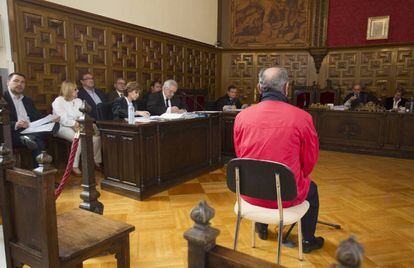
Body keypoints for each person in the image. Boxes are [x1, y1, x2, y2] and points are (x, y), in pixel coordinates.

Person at [233, 67, 324, 253]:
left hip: (250, 193)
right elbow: (309, 161)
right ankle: (307, 240)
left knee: (260, 176)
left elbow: (241, 155)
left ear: (259, 87)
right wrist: (299, 176)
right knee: (312, 190)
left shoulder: (241, 116)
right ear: (287, 87)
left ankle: (262, 228)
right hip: (286, 194)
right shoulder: (302, 117)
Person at [4, 72, 60, 163]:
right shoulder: (2, 99)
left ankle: (30, 139)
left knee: (54, 126)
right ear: (8, 82)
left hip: (31, 128)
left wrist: (50, 118)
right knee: (38, 139)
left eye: (22, 82)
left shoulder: (27, 100)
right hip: (13, 133)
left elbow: (37, 116)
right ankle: (41, 168)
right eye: (16, 81)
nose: (19, 84)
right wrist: (16, 124)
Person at [52, 81, 102, 175]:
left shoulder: (79, 101)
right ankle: (73, 166)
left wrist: (81, 124)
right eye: (75, 89)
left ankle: (95, 161)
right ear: (69, 90)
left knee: (96, 138)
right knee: (78, 139)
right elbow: (63, 118)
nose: (78, 90)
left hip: (79, 126)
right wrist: (75, 124)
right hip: (62, 127)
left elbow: (82, 115)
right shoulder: (58, 101)